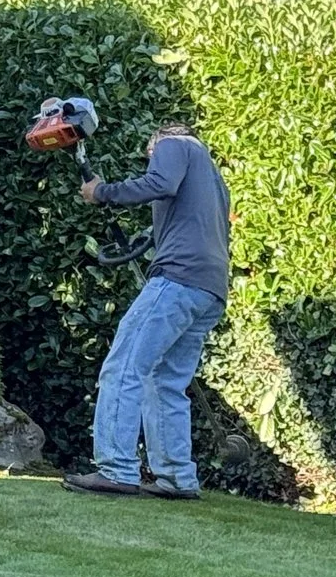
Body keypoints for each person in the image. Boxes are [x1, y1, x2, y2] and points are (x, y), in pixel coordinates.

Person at [63, 123, 231, 499]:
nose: (151, 159)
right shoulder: (214, 180)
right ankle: (176, 478)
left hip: (177, 280)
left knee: (124, 367)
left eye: (149, 154)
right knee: (166, 381)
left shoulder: (174, 143)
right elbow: (180, 220)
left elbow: (160, 183)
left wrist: (102, 192)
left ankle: (117, 469)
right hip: (210, 288)